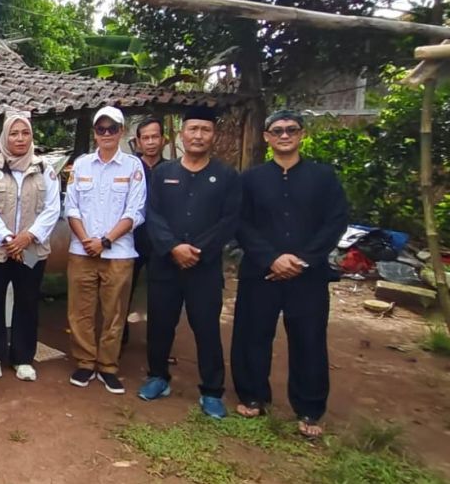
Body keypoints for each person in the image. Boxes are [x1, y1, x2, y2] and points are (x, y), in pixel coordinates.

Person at [232, 110, 347, 438]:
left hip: (308, 275)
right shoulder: (251, 179)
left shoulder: (322, 177)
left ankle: (310, 409)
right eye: (277, 130)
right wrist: (271, 258)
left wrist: (302, 260)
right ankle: (253, 396)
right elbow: (240, 223)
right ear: (267, 137)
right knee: (253, 335)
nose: (284, 135)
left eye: (291, 130)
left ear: (302, 134)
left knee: (309, 340)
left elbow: (335, 221)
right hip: (261, 272)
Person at [138, 105, 240, 419]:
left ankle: (211, 391)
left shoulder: (225, 176)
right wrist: (172, 248)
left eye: (205, 130)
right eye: (193, 129)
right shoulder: (164, 174)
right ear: (182, 134)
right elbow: (152, 216)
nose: (198, 135)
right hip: (165, 265)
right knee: (160, 324)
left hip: (204, 268)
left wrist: (195, 250)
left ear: (214, 135)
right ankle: (158, 377)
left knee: (206, 328)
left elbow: (229, 220)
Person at [63, 106, 146, 395]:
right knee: (80, 311)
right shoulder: (81, 165)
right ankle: (85, 362)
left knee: (114, 314)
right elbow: (70, 207)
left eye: (113, 129)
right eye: (101, 129)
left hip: (119, 253)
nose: (107, 134)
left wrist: (106, 241)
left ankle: (108, 367)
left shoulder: (133, 167)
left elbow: (135, 211)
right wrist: (87, 240)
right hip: (81, 250)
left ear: (122, 132)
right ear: (95, 133)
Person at [0, 114, 61, 381]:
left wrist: (29, 236)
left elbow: (53, 207)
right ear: (4, 136)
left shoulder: (44, 168)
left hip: (32, 249)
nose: (20, 138)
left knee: (27, 301)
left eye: (25, 133)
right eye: (14, 133)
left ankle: (23, 358)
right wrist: (6, 237)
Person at [125, 117, 167, 346]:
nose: (151, 142)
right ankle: (118, 342)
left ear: (163, 139)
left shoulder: (173, 169)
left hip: (161, 244)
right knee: (122, 294)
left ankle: (158, 346)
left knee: (161, 298)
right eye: (146, 138)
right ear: (138, 142)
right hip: (130, 240)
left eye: (155, 137)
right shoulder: (130, 168)